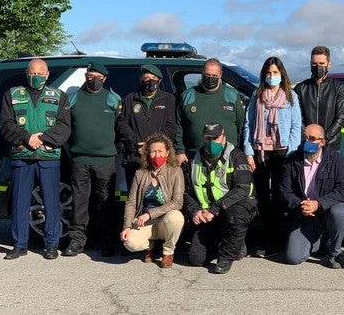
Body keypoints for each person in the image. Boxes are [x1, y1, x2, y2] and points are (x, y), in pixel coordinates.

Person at [0, 58, 71, 260]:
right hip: (22, 155)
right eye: (32, 73)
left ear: (47, 75)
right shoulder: (12, 95)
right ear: (26, 73)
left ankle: (51, 245)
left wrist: (41, 139)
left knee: (52, 203)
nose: (35, 76)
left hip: (48, 156)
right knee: (19, 203)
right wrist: (26, 138)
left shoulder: (59, 97)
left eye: (40, 73)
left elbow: (64, 127)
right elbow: (6, 125)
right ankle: (19, 244)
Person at [243, 56, 301, 258]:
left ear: (281, 74)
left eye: (275, 73)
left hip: (282, 151)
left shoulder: (290, 96)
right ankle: (266, 238)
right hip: (260, 150)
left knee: (279, 195)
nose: (271, 76)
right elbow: (249, 125)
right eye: (268, 73)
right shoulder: (257, 95)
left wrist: (291, 153)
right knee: (263, 197)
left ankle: (277, 241)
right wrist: (249, 152)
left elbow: (295, 126)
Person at [63, 62, 121, 258]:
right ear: (86, 76)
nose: (94, 80)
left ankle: (105, 241)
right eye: (91, 76)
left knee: (105, 203)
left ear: (104, 79)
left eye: (98, 77)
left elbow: (119, 127)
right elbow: (65, 127)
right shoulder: (74, 98)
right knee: (79, 202)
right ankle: (77, 240)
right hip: (80, 159)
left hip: (105, 160)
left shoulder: (113, 99)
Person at [183, 123, 256, 274]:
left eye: (215, 138)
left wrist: (215, 209)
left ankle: (227, 256)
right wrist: (194, 211)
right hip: (207, 214)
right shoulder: (193, 161)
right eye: (207, 138)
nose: (211, 142)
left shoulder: (237, 156)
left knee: (236, 216)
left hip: (233, 206)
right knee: (195, 258)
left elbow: (242, 189)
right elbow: (186, 192)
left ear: (224, 137)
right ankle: (232, 244)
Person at [279, 124, 344, 268]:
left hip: (327, 209)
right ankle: (319, 242)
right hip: (304, 213)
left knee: (339, 212)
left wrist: (319, 203)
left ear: (322, 142)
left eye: (312, 138)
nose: (307, 141)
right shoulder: (292, 160)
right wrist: (301, 205)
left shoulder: (336, 159)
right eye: (305, 138)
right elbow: (284, 192)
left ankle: (335, 253)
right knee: (294, 258)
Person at [120, 134, 185, 268]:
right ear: (148, 154)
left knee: (176, 217)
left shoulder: (175, 171)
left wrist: (150, 214)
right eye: (153, 151)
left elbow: (177, 202)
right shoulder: (140, 173)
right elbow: (131, 202)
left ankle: (168, 251)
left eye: (160, 151)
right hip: (144, 222)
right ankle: (150, 246)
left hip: (164, 221)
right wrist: (126, 226)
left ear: (167, 153)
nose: (157, 155)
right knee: (130, 243)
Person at [175, 58, 245, 163]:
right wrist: (180, 151)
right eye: (207, 75)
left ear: (220, 75)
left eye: (214, 76)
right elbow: (178, 126)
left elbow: (241, 125)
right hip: (195, 157)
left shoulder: (231, 95)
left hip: (227, 156)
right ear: (202, 73)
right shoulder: (187, 96)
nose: (210, 78)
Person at [117, 64, 176, 188]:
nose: (150, 82)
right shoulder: (130, 99)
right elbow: (122, 125)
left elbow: (171, 127)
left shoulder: (168, 99)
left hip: (159, 158)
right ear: (141, 80)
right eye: (147, 78)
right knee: (135, 197)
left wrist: (151, 146)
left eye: (154, 78)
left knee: (159, 197)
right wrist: (137, 144)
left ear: (159, 80)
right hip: (135, 157)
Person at [293, 46, 344, 151]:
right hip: (307, 143)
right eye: (314, 64)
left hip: (331, 144)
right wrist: (308, 137)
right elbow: (297, 118)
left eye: (321, 64)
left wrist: (324, 138)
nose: (318, 67)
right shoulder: (301, 88)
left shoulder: (339, 88)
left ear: (329, 64)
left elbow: (341, 118)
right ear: (310, 64)